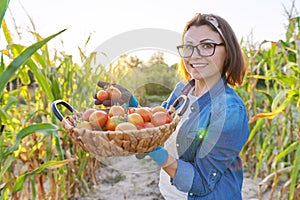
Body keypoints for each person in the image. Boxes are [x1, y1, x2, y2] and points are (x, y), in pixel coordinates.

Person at [95, 13, 250, 200]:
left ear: (228, 51)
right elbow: (160, 123)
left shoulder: (229, 111)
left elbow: (201, 183)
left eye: (207, 46)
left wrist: (153, 150)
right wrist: (130, 105)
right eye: (189, 47)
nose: (195, 55)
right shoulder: (182, 90)